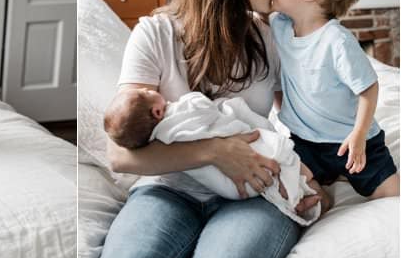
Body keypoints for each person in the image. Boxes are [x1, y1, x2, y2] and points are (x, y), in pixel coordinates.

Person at [98, 0, 326, 258]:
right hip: (168, 190)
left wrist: (312, 180)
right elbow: (121, 156)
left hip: (255, 191)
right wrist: (215, 152)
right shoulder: (156, 34)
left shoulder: (270, 37)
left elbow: (307, 123)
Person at [270, 0, 399, 199]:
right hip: (305, 140)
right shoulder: (278, 25)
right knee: (290, 187)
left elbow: (368, 87)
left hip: (350, 142)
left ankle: (344, 171)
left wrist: (359, 135)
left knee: (391, 194)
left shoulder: (336, 40)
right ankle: (325, 192)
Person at [103, 88, 321, 226]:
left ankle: (295, 199)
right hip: (229, 181)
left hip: (231, 188)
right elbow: (206, 111)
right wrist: (214, 150)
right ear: (157, 113)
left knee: (271, 178)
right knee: (278, 153)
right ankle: (301, 189)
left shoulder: (156, 139)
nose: (146, 89)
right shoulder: (177, 116)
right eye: (144, 93)